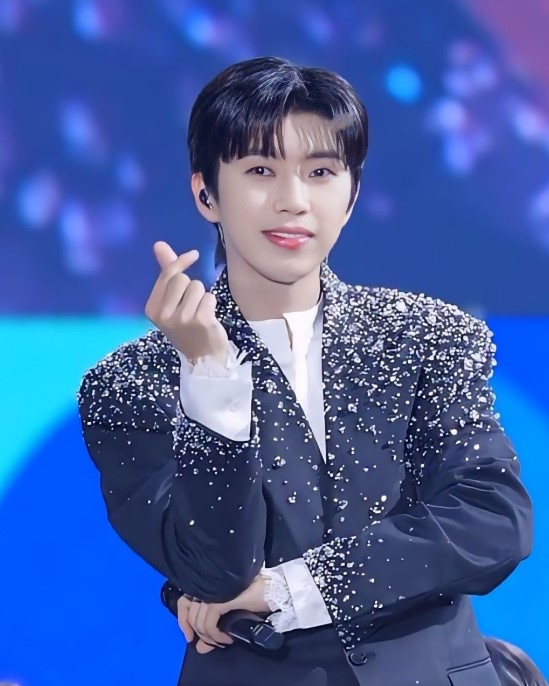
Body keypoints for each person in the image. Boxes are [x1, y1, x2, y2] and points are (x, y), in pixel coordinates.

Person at [78, 56, 533, 686]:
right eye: (260, 170)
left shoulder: (425, 335)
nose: (293, 201)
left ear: (351, 195)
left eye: (320, 172)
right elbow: (214, 571)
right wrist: (209, 372)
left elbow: (492, 521)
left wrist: (292, 589)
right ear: (206, 193)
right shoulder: (134, 381)